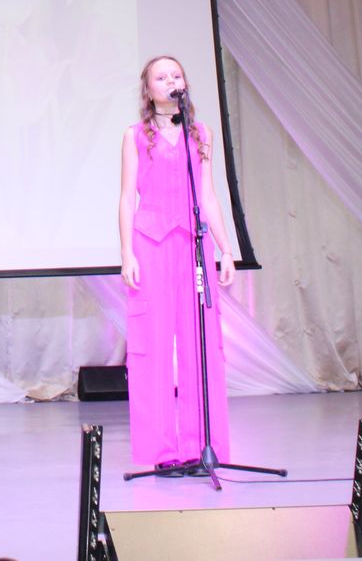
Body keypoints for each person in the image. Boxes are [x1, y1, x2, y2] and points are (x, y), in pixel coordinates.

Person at [118, 55, 234, 469]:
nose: (170, 81)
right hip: (150, 246)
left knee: (200, 345)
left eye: (176, 75)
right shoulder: (135, 136)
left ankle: (201, 447)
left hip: (193, 247)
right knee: (151, 347)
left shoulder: (201, 134)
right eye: (161, 77)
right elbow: (126, 197)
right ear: (148, 90)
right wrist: (127, 253)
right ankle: (159, 452)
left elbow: (208, 195)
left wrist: (225, 248)